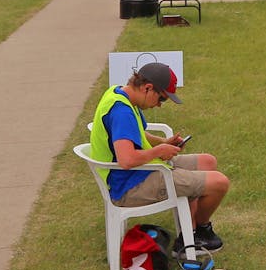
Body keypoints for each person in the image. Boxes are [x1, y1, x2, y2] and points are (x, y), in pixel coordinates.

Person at [90, 62, 229, 252]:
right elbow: (127, 159)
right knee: (220, 182)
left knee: (207, 162)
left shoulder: (118, 94)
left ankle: (190, 230)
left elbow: (135, 134)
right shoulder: (122, 111)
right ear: (147, 88)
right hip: (131, 185)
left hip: (144, 171)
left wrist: (164, 142)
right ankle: (197, 234)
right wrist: (158, 152)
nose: (159, 106)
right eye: (161, 99)